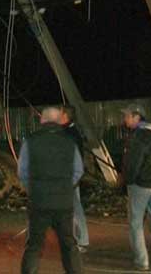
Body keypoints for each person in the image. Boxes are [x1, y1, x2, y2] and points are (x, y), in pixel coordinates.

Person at [18, 106, 83, 274]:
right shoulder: (69, 141)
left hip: (39, 201)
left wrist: (32, 188)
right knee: (69, 245)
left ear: (42, 120)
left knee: (34, 245)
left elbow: (22, 171)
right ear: (58, 120)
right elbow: (78, 170)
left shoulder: (31, 141)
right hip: (63, 202)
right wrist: (65, 187)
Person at [121, 103, 151, 271]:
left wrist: (127, 180)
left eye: (127, 116)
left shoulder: (139, 136)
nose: (125, 119)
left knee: (135, 223)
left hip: (140, 185)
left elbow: (134, 163)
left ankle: (142, 261)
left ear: (137, 117)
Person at [61, 106, 89, 253]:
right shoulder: (70, 131)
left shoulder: (69, 134)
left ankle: (82, 240)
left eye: (61, 114)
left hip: (69, 177)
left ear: (66, 116)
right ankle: (75, 239)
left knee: (75, 209)